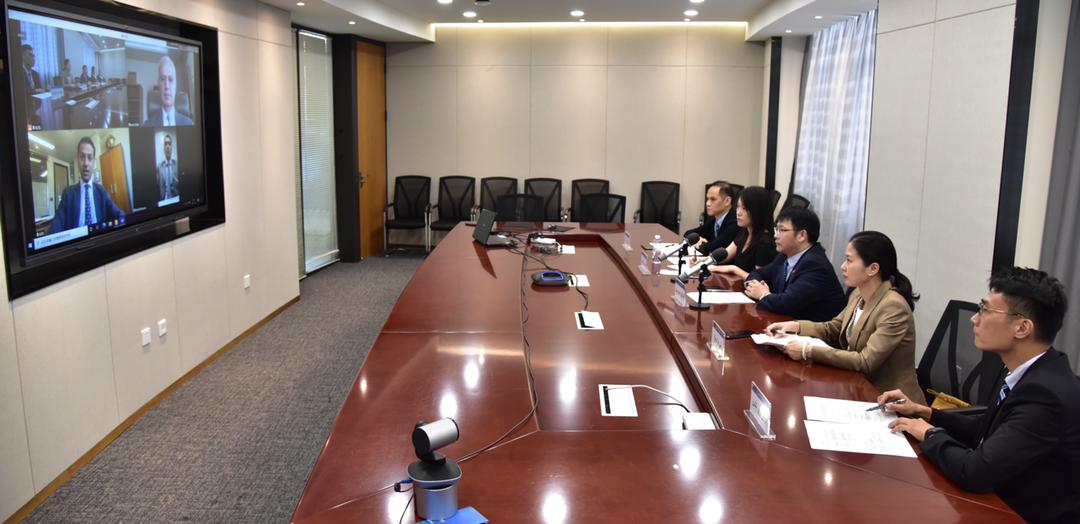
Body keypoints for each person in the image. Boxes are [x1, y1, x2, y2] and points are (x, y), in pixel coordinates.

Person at [885, 267, 1080, 522]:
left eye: (985, 310)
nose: (974, 319)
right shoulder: (1024, 370)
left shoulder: (1046, 396)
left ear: (1022, 327)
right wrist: (927, 413)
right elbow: (988, 430)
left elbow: (975, 472)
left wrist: (929, 433)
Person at [764, 231, 926, 403]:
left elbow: (865, 361)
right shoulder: (858, 293)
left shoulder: (893, 307)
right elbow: (834, 328)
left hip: (891, 400)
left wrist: (808, 351)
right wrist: (795, 326)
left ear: (873, 269)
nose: (843, 266)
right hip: (857, 387)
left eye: (849, 260)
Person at [743, 207, 845, 321]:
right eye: (776, 229)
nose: (775, 235)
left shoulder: (815, 265)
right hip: (785, 323)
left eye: (782, 230)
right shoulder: (784, 256)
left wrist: (763, 294)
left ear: (802, 235)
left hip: (812, 330)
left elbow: (787, 304)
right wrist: (754, 287)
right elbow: (758, 273)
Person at [49, 137, 125, 233]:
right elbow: (56, 226)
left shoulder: (101, 191)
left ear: (94, 162)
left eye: (89, 158)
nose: (85, 163)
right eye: (82, 157)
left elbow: (118, 213)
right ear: (78, 160)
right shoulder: (68, 193)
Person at [703, 186, 776, 280]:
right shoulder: (745, 233)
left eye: (744, 208)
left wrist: (734, 269)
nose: (738, 212)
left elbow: (759, 280)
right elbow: (725, 255)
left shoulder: (765, 243)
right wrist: (701, 261)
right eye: (737, 207)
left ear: (758, 211)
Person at [684, 182, 739, 256]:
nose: (707, 203)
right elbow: (688, 233)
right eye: (707, 199)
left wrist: (699, 243)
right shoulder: (714, 219)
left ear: (727, 201)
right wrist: (697, 239)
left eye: (713, 199)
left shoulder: (735, 222)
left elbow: (712, 249)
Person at [143, 56, 193, 127]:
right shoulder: (147, 125)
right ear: (158, 85)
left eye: (171, 79)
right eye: (163, 79)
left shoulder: (189, 124)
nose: (167, 86)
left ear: (176, 85)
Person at [21, 44, 44, 126]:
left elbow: (40, 90)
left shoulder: (35, 74)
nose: (33, 58)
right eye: (30, 55)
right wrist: (36, 90)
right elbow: (22, 92)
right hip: (24, 110)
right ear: (22, 56)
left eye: (34, 56)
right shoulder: (17, 73)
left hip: (36, 108)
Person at [156, 133, 179, 200]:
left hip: (176, 198)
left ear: (172, 147)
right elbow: (157, 187)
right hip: (164, 200)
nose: (167, 146)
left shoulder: (177, 164)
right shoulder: (159, 167)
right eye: (165, 144)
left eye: (169, 144)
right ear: (163, 148)